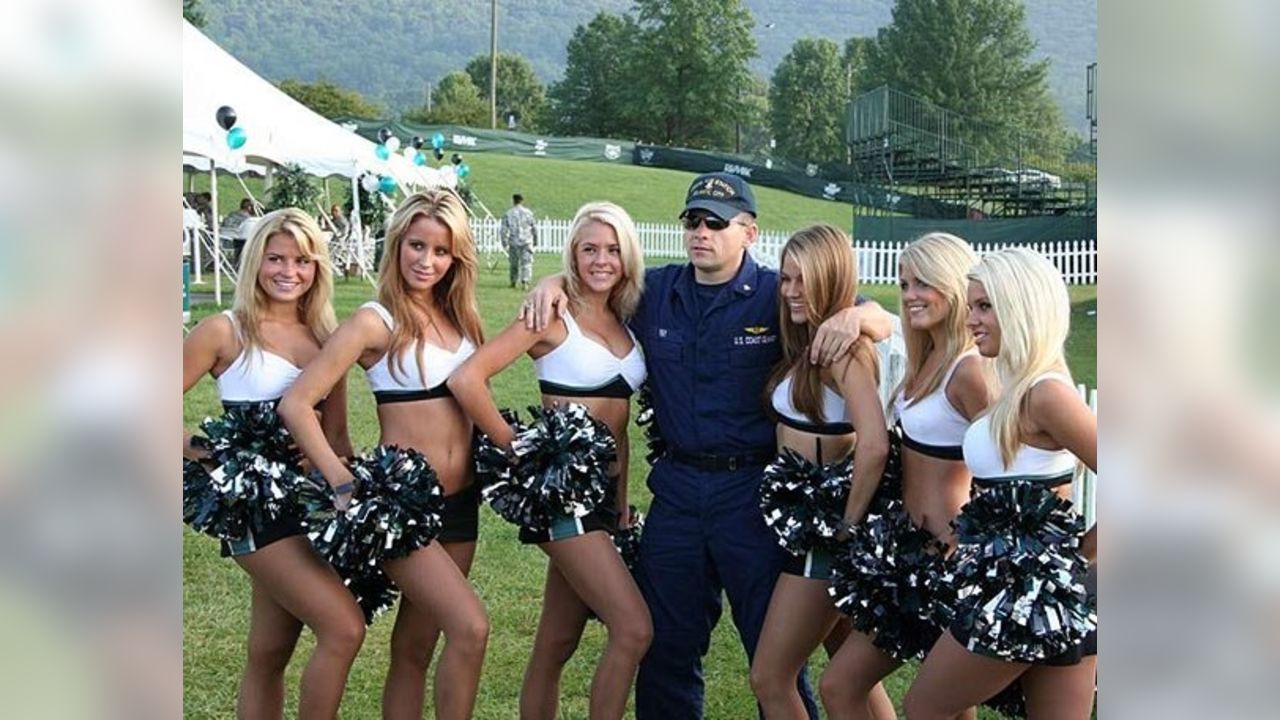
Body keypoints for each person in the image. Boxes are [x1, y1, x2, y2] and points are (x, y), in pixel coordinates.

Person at [526, 172, 893, 719]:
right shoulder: (655, 294)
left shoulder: (778, 291)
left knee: (776, 656)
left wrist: (859, 314)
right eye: (693, 221)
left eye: (716, 223)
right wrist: (555, 281)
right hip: (676, 491)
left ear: (749, 232)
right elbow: (596, 283)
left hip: (751, 496)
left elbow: (877, 316)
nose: (701, 232)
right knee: (667, 650)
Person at [279, 190, 490, 720]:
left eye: (441, 251)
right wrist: (342, 481)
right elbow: (298, 403)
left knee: (415, 649)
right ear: (397, 246)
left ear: (455, 258)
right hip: (402, 510)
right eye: (416, 246)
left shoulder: (461, 319)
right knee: (470, 627)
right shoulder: (375, 321)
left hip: (462, 504)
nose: (427, 261)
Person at [450, 201, 653, 720]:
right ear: (573, 254)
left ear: (627, 257)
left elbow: (621, 428)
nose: (600, 260)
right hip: (562, 498)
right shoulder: (551, 315)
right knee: (633, 630)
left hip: (604, 502)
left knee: (555, 643)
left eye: (612, 250)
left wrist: (622, 503)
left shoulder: (626, 320)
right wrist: (517, 450)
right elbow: (468, 379)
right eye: (589, 249)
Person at [182, 208, 366, 718]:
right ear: (255, 260)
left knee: (269, 652)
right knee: (343, 628)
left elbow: (336, 437)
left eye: (303, 260)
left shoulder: (327, 336)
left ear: (317, 268)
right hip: (252, 512)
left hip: (305, 508)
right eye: (276, 258)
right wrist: (210, 455)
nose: (289, 271)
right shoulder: (225, 331)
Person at [903, 247, 1098, 720]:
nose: (972, 319)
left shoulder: (1046, 393)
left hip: (1028, 594)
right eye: (972, 306)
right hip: (1032, 593)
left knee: (924, 708)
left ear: (1022, 307)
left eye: (985, 306)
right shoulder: (1017, 388)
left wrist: (1078, 558)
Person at [819, 232, 990, 720]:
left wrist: (970, 542)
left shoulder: (969, 371)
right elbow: (882, 319)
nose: (912, 294)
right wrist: (857, 314)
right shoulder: (927, 358)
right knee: (944, 705)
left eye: (925, 283)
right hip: (906, 558)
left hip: (945, 563)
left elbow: (1010, 464)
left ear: (955, 288)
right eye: (905, 282)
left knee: (843, 685)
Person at [748, 225, 896, 720]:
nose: (790, 291)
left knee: (769, 678)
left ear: (831, 279)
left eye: (802, 280)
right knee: (849, 676)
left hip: (823, 541)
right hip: (807, 534)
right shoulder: (815, 340)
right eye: (786, 279)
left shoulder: (843, 351)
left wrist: (845, 527)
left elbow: (874, 444)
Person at [502, 193, 538, 290]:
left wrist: (504, 242)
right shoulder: (528, 213)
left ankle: (513, 281)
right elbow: (534, 227)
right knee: (526, 262)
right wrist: (535, 240)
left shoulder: (508, 213)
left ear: (513, 201)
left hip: (514, 241)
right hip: (526, 241)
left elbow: (504, 230)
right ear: (522, 201)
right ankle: (525, 281)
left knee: (514, 263)